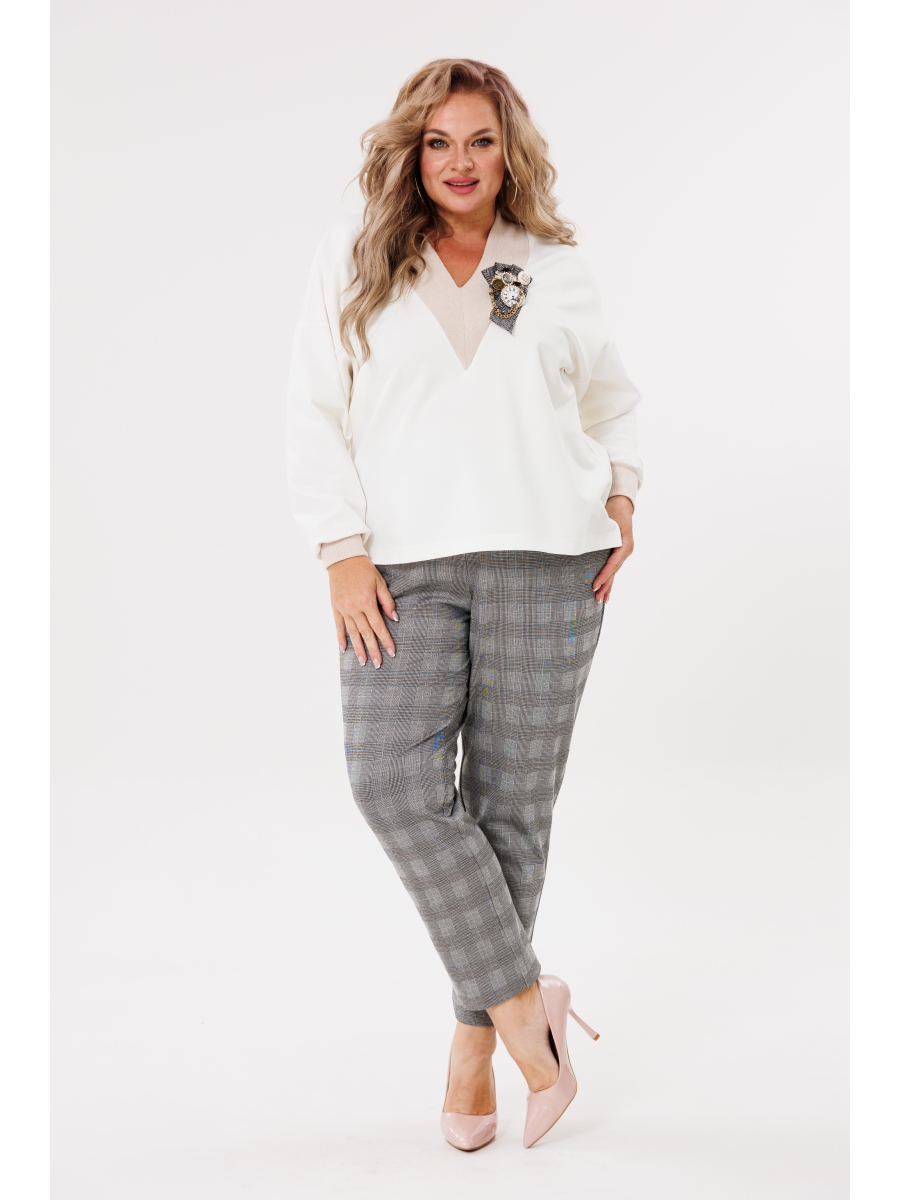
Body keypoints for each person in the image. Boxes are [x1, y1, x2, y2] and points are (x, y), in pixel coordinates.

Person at [286, 58, 642, 1151]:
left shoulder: (551, 267)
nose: (459, 161)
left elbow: (612, 401)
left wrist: (623, 494)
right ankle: (527, 1007)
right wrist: (340, 549)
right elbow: (313, 408)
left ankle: (472, 1046)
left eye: (480, 140)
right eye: (438, 141)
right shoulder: (358, 260)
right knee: (390, 781)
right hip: (403, 571)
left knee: (510, 812)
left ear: (508, 150)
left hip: (552, 561)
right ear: (411, 151)